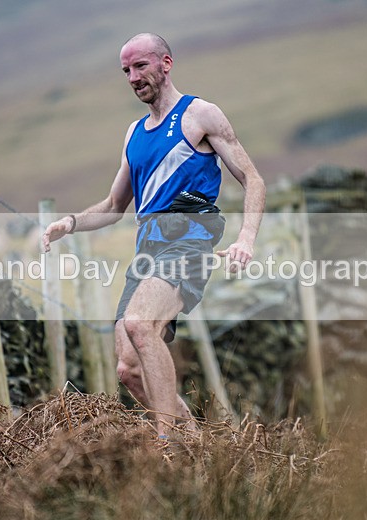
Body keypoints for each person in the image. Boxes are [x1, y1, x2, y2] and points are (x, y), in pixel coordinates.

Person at [42, 33, 265, 437]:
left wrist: (246, 238)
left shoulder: (199, 114)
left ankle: (165, 444)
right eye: (125, 70)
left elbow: (253, 179)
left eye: (140, 66)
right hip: (148, 252)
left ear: (166, 63)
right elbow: (113, 207)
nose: (132, 77)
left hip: (190, 240)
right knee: (128, 369)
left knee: (140, 324)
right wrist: (69, 223)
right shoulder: (134, 134)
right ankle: (196, 447)